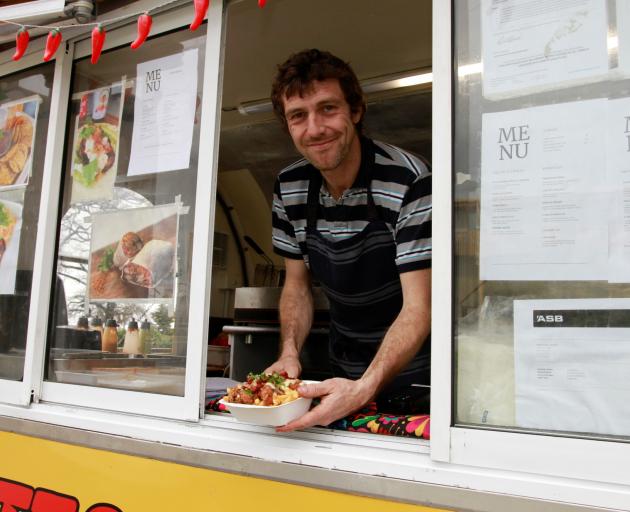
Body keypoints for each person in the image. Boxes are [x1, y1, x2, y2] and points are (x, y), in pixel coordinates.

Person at [266, 49, 431, 432]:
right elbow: (297, 286)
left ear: (355, 110)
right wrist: (288, 353)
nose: (315, 129)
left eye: (327, 109)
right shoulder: (288, 187)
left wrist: (366, 387)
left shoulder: (409, 180)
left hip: (416, 381)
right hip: (342, 373)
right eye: (298, 116)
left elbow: (419, 307)